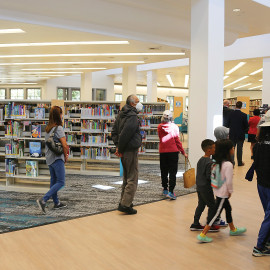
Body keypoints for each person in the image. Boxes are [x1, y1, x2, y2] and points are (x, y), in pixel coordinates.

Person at [197, 139, 247, 243]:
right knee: (215, 213)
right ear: (227, 150)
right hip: (223, 193)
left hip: (218, 190)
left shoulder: (217, 162)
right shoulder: (228, 164)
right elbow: (229, 182)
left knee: (228, 209)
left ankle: (233, 229)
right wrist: (230, 192)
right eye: (232, 147)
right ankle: (203, 234)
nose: (233, 149)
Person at [112, 95, 142, 215]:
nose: (140, 104)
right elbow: (125, 134)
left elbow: (114, 131)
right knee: (132, 178)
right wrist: (120, 147)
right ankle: (125, 205)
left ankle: (123, 201)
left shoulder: (121, 113)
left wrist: (118, 146)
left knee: (126, 177)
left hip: (124, 149)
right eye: (138, 102)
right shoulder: (132, 116)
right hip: (129, 150)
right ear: (132, 104)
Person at [36, 106, 69, 214]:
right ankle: (44, 200)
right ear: (58, 115)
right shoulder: (58, 128)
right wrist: (66, 155)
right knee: (61, 182)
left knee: (54, 181)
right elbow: (64, 145)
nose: (62, 115)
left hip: (49, 159)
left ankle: (56, 203)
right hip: (57, 158)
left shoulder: (47, 128)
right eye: (61, 114)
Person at [190, 139, 220, 232]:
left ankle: (195, 224)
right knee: (212, 206)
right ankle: (210, 224)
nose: (216, 149)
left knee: (201, 205)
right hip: (206, 188)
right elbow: (208, 177)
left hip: (199, 186)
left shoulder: (201, 160)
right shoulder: (210, 162)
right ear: (209, 150)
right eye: (214, 148)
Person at [158, 110, 188, 200]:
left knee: (163, 170)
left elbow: (160, 137)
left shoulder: (159, 127)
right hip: (173, 152)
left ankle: (165, 189)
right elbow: (177, 141)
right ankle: (171, 191)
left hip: (163, 151)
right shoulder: (174, 127)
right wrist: (183, 152)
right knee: (172, 172)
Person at [252, 114, 270, 256]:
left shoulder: (258, 146)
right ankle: (259, 247)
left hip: (261, 184)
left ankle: (267, 240)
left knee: (268, 214)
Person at [226, 101, 248, 166]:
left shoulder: (230, 114)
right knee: (239, 149)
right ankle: (240, 162)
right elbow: (246, 126)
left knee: (232, 148)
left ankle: (232, 162)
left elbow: (227, 124)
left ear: (235, 106)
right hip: (240, 134)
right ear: (241, 107)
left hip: (232, 134)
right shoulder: (244, 115)